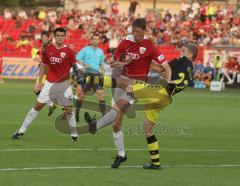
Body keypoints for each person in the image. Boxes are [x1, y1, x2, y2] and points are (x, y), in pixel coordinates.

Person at [75, 43, 198, 170]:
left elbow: (163, 69)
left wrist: (144, 61)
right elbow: (164, 74)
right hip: (165, 100)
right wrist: (147, 63)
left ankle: (87, 79)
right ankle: (156, 163)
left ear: (190, 54)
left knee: (123, 83)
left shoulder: (183, 60)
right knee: (147, 128)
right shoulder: (190, 73)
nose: (181, 53)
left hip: (158, 91)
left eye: (183, 51)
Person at [93, 18, 170, 169]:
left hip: (137, 88)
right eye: (133, 31)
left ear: (144, 30)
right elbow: (113, 63)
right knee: (116, 124)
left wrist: (162, 76)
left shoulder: (149, 46)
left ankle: (94, 126)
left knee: (116, 110)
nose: (135, 34)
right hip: (122, 83)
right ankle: (122, 155)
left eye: (139, 32)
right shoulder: (125, 43)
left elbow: (163, 68)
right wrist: (123, 63)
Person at [12, 27, 82, 141]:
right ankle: (21, 130)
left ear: (65, 37)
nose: (60, 37)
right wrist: (39, 82)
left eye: (62, 35)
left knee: (69, 110)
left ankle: (74, 134)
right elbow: (43, 65)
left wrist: (78, 84)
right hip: (49, 83)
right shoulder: (48, 49)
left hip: (64, 85)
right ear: (54, 37)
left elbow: (75, 67)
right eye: (58, 35)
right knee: (37, 106)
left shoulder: (69, 51)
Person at [75, 33, 106, 122]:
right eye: (94, 39)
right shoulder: (85, 49)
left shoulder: (100, 51)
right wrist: (84, 64)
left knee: (101, 94)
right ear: (91, 40)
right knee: (81, 96)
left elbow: (101, 63)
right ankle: (77, 113)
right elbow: (77, 59)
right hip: (85, 75)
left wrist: (103, 70)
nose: (96, 41)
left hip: (96, 75)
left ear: (99, 40)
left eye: (97, 39)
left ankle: (104, 116)